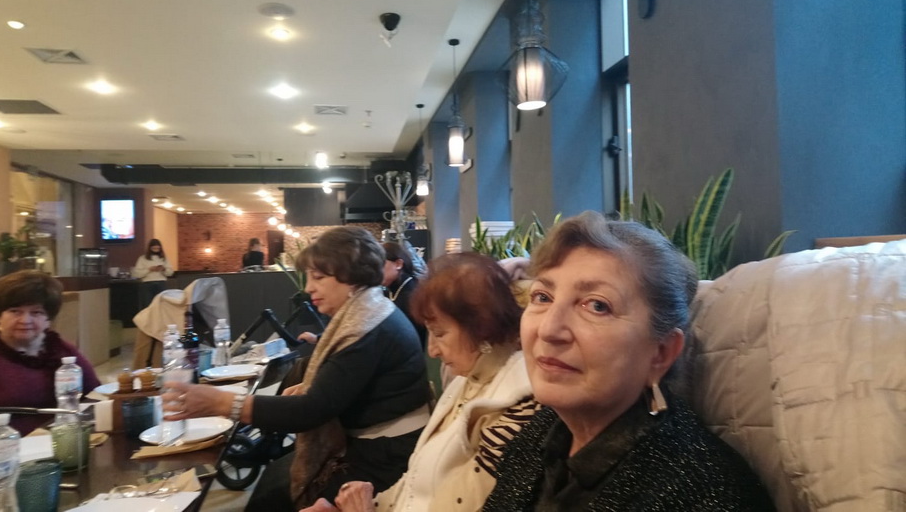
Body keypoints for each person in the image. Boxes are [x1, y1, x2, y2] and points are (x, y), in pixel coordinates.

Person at [481, 212, 775, 511]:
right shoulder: (541, 434)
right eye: (543, 297)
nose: (548, 330)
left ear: (661, 353)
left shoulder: (703, 491)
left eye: (597, 306)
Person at [162, 226, 431, 511]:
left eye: (318, 277)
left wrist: (221, 402)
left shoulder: (366, 326)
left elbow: (310, 411)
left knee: (267, 500)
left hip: (386, 456)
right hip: (375, 444)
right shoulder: (369, 310)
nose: (308, 288)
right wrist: (315, 384)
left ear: (352, 277)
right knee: (270, 484)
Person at [303, 252, 538, 512]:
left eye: (440, 334)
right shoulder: (465, 382)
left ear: (482, 327)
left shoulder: (515, 411)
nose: (432, 351)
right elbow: (415, 483)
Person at [0, 271, 101, 437]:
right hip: (2, 447)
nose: (25, 320)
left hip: (61, 440)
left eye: (36, 312)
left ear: (48, 319)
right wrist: (10, 443)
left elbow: (94, 396)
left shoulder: (61, 350)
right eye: (15, 311)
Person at [380, 242, 427, 348]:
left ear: (398, 264)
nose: (377, 271)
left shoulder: (413, 294)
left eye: (381, 264)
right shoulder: (387, 292)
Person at [132, 238, 173, 308]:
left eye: (158, 249)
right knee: (148, 305)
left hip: (161, 283)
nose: (156, 250)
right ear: (150, 248)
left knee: (162, 305)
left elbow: (170, 273)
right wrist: (149, 269)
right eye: (154, 248)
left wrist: (163, 269)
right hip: (147, 284)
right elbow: (137, 274)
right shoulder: (142, 258)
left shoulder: (163, 258)